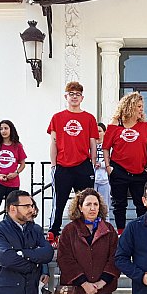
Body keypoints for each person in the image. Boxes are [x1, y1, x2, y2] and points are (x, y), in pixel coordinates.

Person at [47, 81, 98, 247]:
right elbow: (53, 142)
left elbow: (93, 143)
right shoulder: (57, 117)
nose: (74, 97)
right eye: (71, 94)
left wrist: (93, 162)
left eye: (77, 94)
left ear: (82, 97)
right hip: (63, 165)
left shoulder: (89, 118)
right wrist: (53, 165)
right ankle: (54, 232)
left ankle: (86, 231)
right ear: (66, 96)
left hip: (83, 165)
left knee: (85, 201)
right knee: (59, 201)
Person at [103, 91, 147, 234]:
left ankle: (142, 232)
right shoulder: (115, 125)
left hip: (140, 172)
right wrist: (108, 167)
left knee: (142, 204)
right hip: (118, 170)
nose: (141, 109)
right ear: (129, 107)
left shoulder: (144, 126)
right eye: (138, 106)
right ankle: (121, 232)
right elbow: (106, 147)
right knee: (119, 204)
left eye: (141, 106)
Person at [94, 122, 111, 216]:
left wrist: (102, 164)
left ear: (104, 132)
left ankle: (105, 226)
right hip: (93, 179)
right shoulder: (90, 146)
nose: (98, 134)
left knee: (104, 205)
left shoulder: (108, 147)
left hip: (104, 180)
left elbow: (111, 161)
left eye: (100, 131)